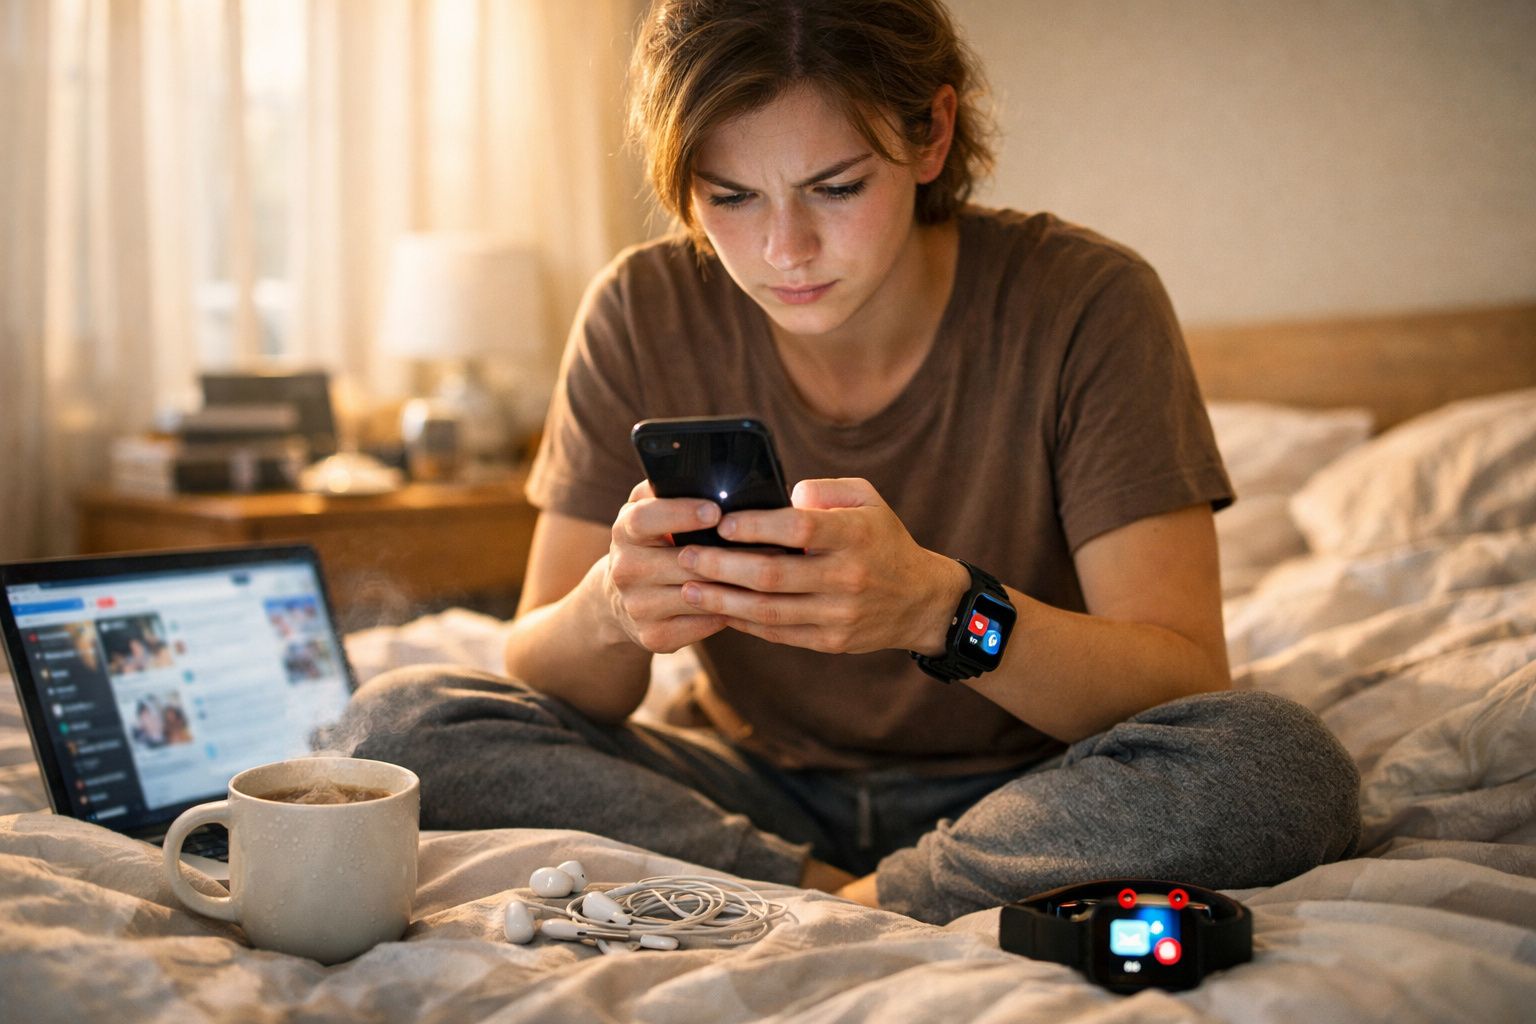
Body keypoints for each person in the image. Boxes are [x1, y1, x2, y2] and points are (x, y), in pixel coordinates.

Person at [337, 0, 1359, 924]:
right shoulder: (639, 309)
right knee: (397, 722)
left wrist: (938, 611)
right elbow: (543, 669)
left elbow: (1184, 681)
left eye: (834, 186)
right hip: (741, 786)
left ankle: (850, 897)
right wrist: (614, 607)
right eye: (729, 196)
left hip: (1034, 791)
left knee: (1278, 765)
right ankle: (825, 894)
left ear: (932, 134)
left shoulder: (1086, 303)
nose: (786, 249)